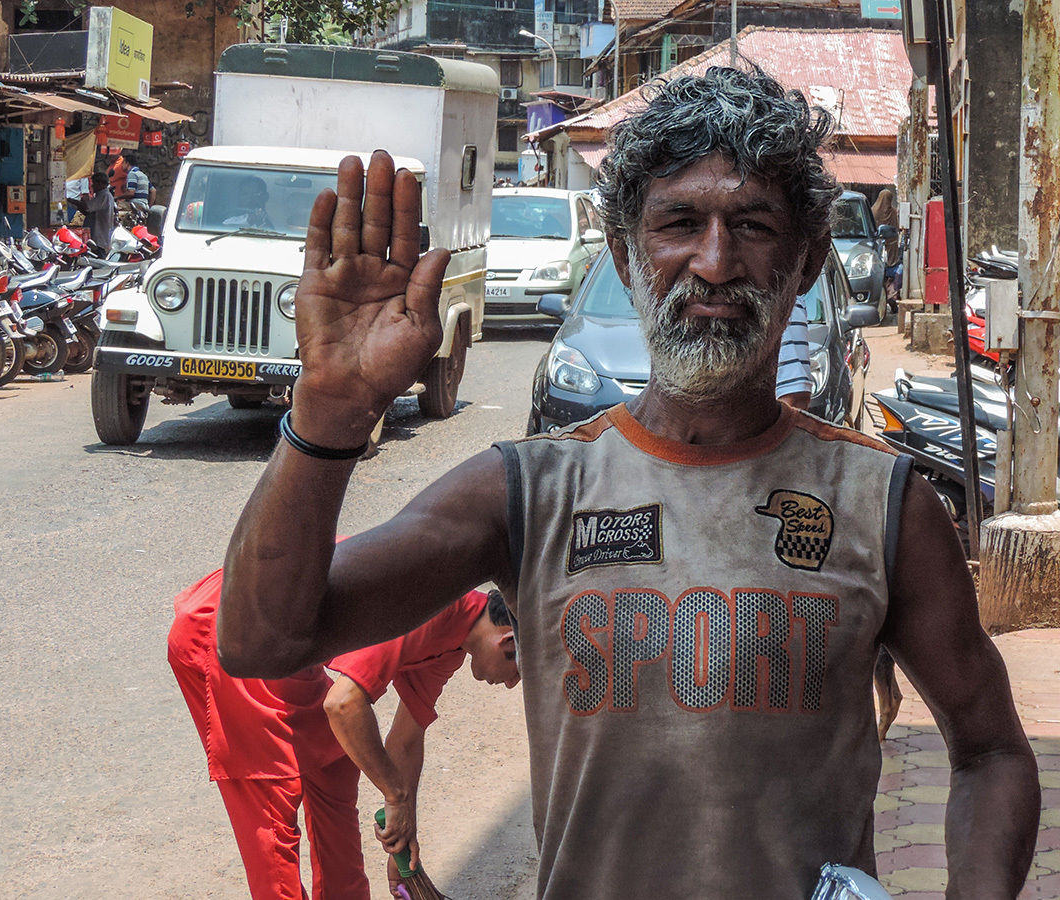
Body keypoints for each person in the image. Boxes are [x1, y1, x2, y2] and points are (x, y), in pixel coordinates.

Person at [216, 66, 1040, 900]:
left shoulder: (882, 503)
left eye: (753, 225)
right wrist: (327, 414)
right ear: (624, 252)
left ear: (806, 259)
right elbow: (262, 641)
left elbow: (993, 750)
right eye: (678, 222)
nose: (714, 264)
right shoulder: (529, 492)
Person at [169, 566, 519, 900]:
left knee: (336, 767)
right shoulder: (428, 604)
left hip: (289, 648)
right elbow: (343, 705)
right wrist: (396, 796)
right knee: (273, 804)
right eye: (516, 673)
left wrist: (402, 835)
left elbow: (407, 737)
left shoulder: (453, 641)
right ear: (507, 643)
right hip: (232, 630)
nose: (509, 684)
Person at [66, 172, 116, 252]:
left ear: (100, 183)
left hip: (99, 237)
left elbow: (86, 207)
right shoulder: (101, 196)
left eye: (94, 183)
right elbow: (88, 211)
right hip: (96, 235)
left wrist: (71, 201)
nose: (92, 186)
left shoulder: (104, 196)